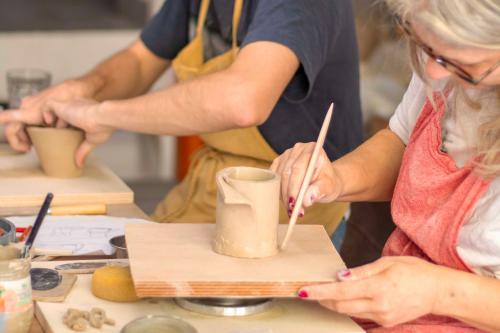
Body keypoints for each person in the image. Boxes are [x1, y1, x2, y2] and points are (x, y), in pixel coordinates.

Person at [0, 0, 362, 243]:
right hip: (211, 187)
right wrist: (80, 91)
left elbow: (243, 100)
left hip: (288, 212)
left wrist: (100, 114)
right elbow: (141, 59)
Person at [271, 0, 500, 331]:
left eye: (464, 64)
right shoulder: (438, 58)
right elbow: (404, 143)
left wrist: (438, 293)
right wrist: (336, 178)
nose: (433, 72)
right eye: (423, 42)